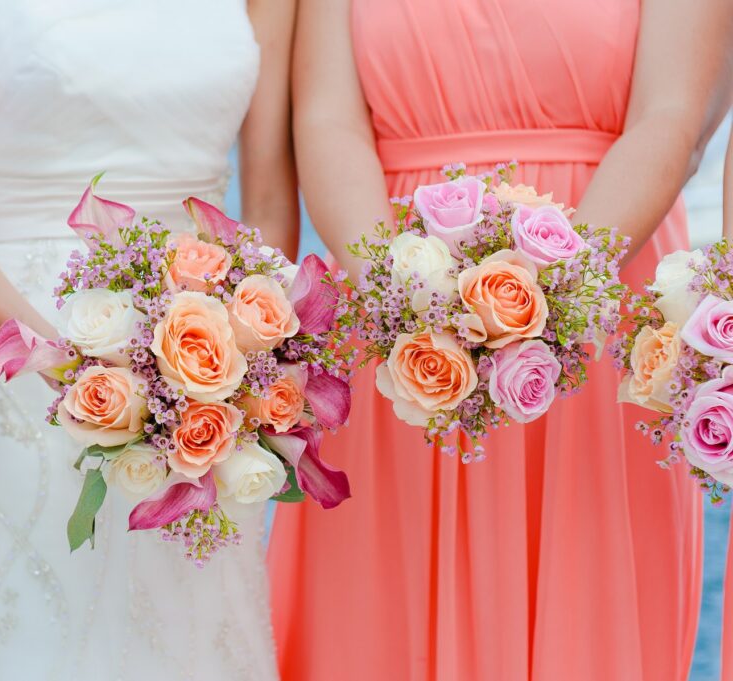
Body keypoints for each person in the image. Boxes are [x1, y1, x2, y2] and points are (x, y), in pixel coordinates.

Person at [268, 1, 732, 679]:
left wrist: (552, 294)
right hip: (396, 319)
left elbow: (670, 121)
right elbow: (326, 121)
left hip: (597, 303)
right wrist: (405, 300)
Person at [0, 0, 297, 677]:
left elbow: (268, 207)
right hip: (10, 362)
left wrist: (235, 357)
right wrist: (68, 364)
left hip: (204, 383)